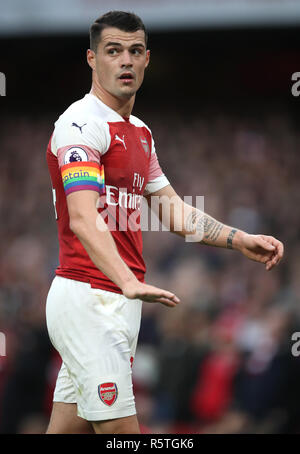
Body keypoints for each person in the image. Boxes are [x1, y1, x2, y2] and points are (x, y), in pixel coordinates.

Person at [45, 11, 284, 434]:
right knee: (123, 434)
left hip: (117, 298)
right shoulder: (79, 125)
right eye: (113, 51)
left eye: (135, 51)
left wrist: (238, 238)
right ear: (91, 59)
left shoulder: (139, 133)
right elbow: (83, 218)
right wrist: (127, 280)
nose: (125, 61)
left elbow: (174, 211)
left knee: (69, 427)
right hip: (89, 298)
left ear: (147, 59)